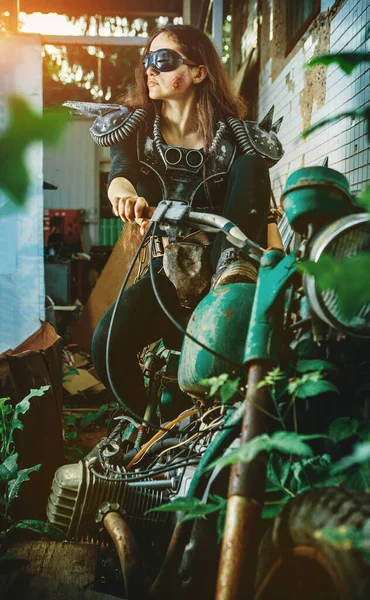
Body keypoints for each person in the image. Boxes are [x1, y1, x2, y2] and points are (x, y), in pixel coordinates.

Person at [91, 24, 284, 414]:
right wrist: (126, 199)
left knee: (251, 165)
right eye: (147, 61)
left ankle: (234, 274)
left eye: (163, 61)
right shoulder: (135, 128)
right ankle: (150, 432)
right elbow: (120, 177)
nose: (150, 70)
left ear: (198, 72)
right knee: (106, 346)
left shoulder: (239, 137)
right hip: (171, 267)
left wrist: (279, 266)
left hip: (228, 269)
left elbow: (259, 211)